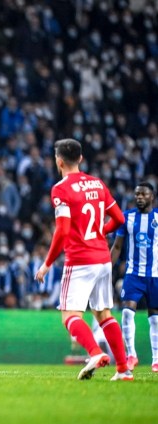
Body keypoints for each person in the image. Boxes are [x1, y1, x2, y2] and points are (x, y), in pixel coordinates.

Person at [35, 139, 130, 381]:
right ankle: (123, 369)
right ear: (80, 158)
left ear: (58, 162)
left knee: (69, 316)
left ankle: (95, 353)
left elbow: (62, 230)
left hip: (80, 259)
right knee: (104, 314)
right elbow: (119, 219)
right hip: (103, 259)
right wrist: (100, 231)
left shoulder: (61, 189)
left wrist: (47, 264)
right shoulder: (97, 184)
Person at [110, 182, 158, 373]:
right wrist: (107, 269)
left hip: (155, 275)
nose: (139, 197)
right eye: (137, 194)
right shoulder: (127, 217)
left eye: (143, 194)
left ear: (152, 197)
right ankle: (131, 355)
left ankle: (156, 359)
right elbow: (117, 246)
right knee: (127, 312)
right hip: (133, 274)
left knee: (155, 318)